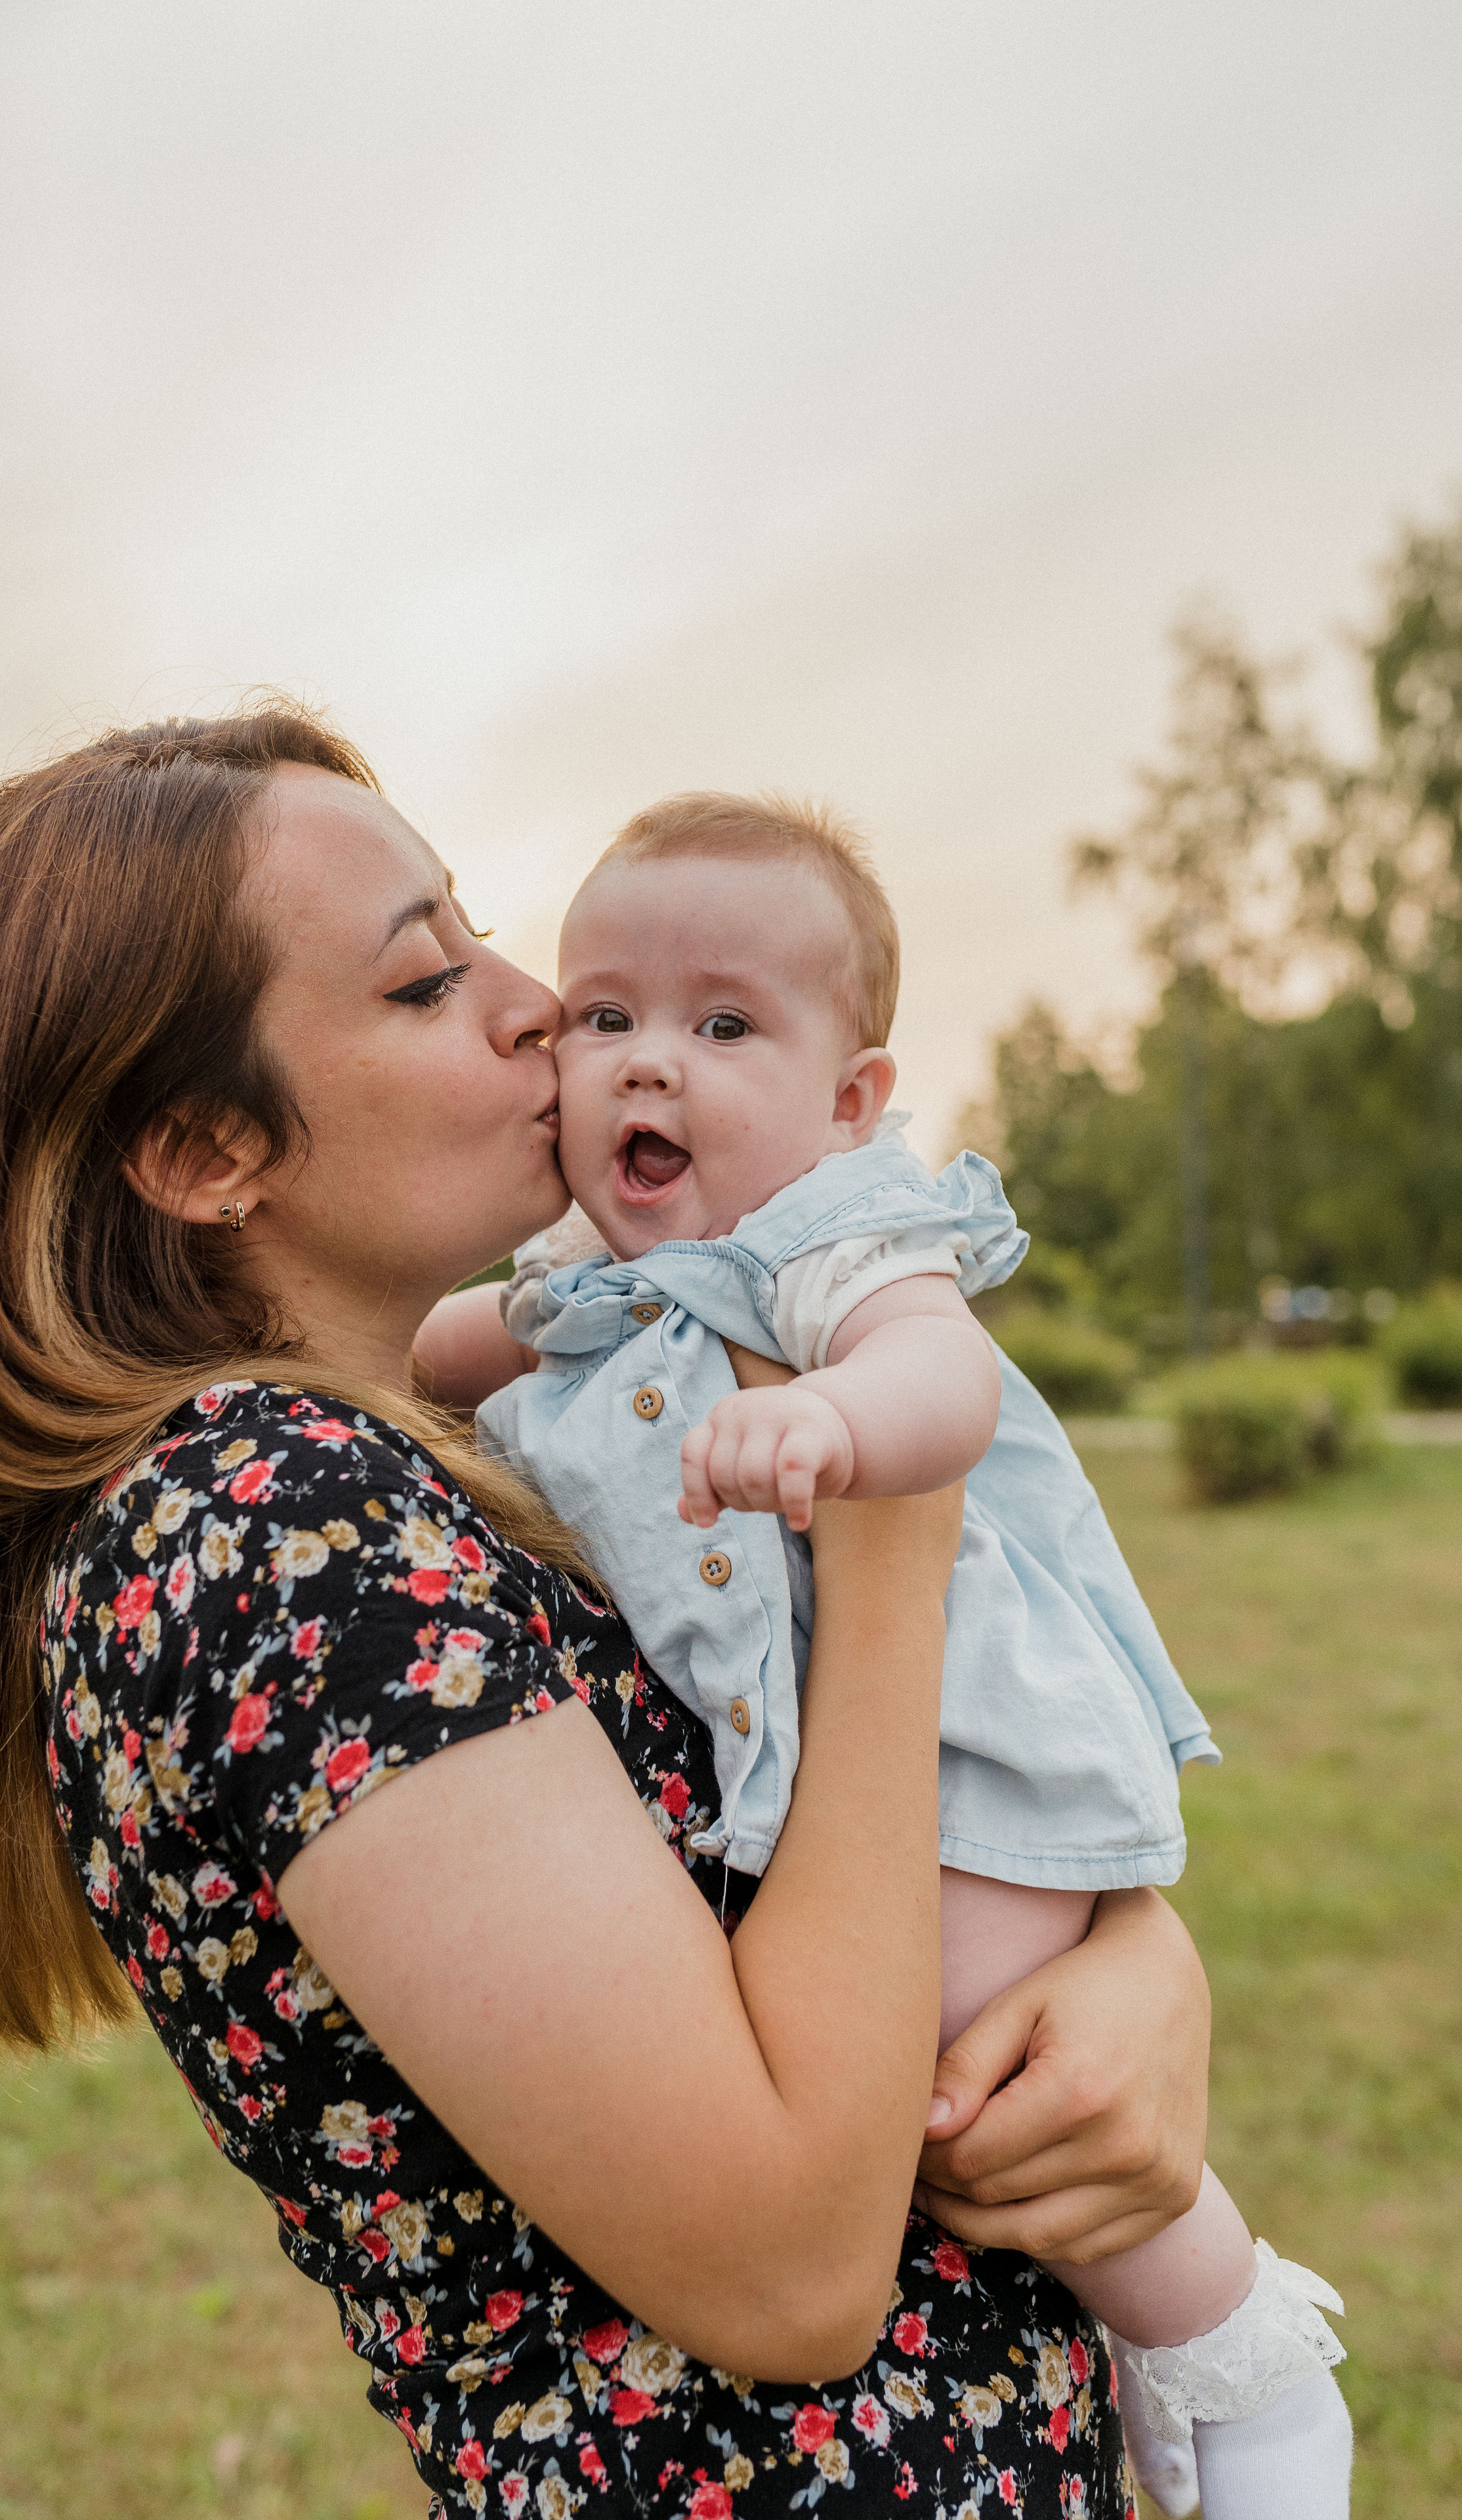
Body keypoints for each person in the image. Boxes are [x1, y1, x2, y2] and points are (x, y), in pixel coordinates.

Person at [0, 706, 1215, 2519]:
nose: (535, 1009)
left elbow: (801, 1895)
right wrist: (895, 1529)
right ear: (199, 1148)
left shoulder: (431, 1468)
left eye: (483, 932)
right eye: (424, 982)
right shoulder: (269, 1530)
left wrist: (1130, 1970)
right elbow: (792, 2268)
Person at [421, 793, 1352, 2520]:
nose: (644, 1066)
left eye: (722, 1026)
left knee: (960, 2078)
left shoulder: (828, 1241)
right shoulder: (581, 1270)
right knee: (925, 2086)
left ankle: (1243, 2351)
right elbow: (445, 1347)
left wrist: (840, 1425)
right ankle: (1162, 2331)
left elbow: (952, 1381)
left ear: (852, 1102)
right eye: (605, 1014)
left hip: (958, 1770)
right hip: (827, 1773)